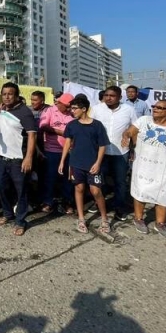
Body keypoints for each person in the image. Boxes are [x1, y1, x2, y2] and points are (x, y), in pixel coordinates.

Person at [122, 100, 166, 237]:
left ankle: (160, 223)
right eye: (154, 106)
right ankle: (138, 219)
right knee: (141, 190)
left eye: (160, 107)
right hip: (143, 165)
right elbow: (129, 131)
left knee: (163, 193)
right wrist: (126, 137)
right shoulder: (144, 120)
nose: (155, 109)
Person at [59, 96, 111, 234]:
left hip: (93, 165)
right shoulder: (71, 125)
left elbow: (102, 146)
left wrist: (98, 163)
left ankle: (104, 219)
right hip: (76, 163)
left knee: (96, 191)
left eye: (75, 108)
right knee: (79, 189)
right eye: (71, 108)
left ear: (84, 109)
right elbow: (68, 143)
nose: (72, 111)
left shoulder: (97, 125)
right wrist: (63, 161)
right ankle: (81, 219)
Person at [0, 82, 37, 236]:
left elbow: (32, 135)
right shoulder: (2, 110)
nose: (7, 97)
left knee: (21, 191)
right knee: (1, 187)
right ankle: (7, 213)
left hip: (18, 160)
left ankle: (20, 221)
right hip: (1, 158)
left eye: (10, 94)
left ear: (17, 95)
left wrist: (28, 158)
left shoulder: (24, 112)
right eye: (4, 94)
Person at [90, 86, 138, 220]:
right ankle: (98, 204)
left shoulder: (129, 110)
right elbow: (89, 127)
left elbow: (135, 129)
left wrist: (134, 149)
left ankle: (120, 207)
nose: (108, 98)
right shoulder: (96, 109)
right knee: (99, 180)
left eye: (112, 96)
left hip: (121, 153)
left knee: (120, 182)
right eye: (106, 95)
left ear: (120, 97)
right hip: (100, 152)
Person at [39, 93, 75, 215]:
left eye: (70, 106)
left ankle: (67, 202)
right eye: (66, 106)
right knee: (50, 177)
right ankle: (48, 201)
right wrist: (62, 132)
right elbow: (43, 126)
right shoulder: (49, 110)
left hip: (69, 151)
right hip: (52, 150)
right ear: (59, 103)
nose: (69, 109)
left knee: (67, 178)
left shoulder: (72, 113)